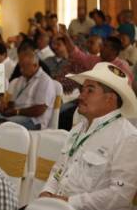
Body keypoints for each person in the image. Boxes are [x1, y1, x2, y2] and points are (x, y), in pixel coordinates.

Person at [40, 62, 137, 210]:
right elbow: (58, 169)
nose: (81, 96)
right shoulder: (78, 128)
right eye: (82, 89)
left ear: (109, 99)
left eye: (90, 91)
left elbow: (120, 195)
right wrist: (46, 193)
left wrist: (69, 202)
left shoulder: (128, 137)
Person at [0, 46, 56, 130]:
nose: (21, 70)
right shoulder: (21, 79)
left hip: (35, 121)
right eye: (20, 66)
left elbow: (39, 109)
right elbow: (13, 102)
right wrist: (5, 108)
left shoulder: (45, 81)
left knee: (3, 126)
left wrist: (17, 112)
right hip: (18, 115)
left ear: (35, 65)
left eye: (24, 67)